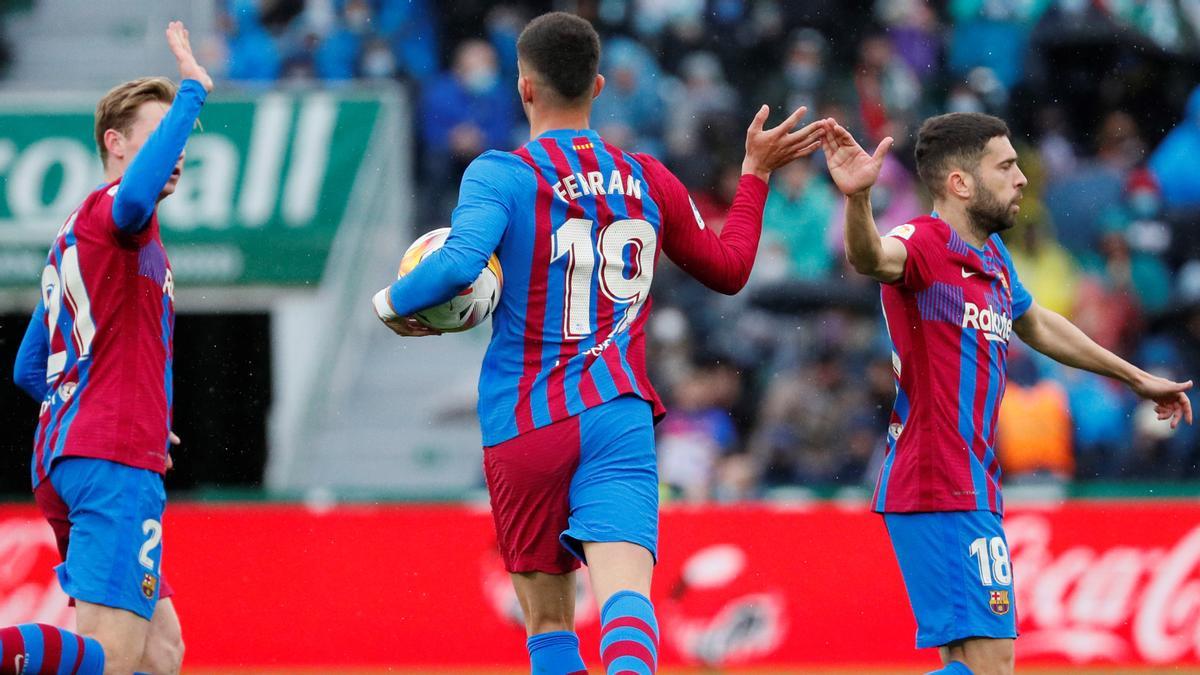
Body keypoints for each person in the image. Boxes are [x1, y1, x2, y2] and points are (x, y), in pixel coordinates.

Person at [372, 11, 822, 674]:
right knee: (626, 600)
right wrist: (753, 174)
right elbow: (729, 268)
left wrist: (390, 305)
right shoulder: (647, 176)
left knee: (551, 623)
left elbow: (456, 263)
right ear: (601, 84)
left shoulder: (500, 174)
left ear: (524, 88)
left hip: (525, 421)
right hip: (616, 412)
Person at [820, 111, 1192, 674]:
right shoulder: (920, 242)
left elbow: (1037, 323)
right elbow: (871, 258)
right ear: (960, 183)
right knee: (992, 664)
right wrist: (858, 200)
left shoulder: (993, 259)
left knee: (973, 661)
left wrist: (1135, 377)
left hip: (969, 481)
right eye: (1007, 166)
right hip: (937, 481)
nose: (1022, 178)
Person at [4, 21, 211, 675]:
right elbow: (135, 199)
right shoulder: (118, 217)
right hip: (112, 463)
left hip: (71, 454)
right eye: (157, 139)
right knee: (111, 661)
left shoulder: (74, 238)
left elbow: (28, 367)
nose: (175, 151)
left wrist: (116, 405)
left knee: (162, 651)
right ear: (115, 145)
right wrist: (192, 95)